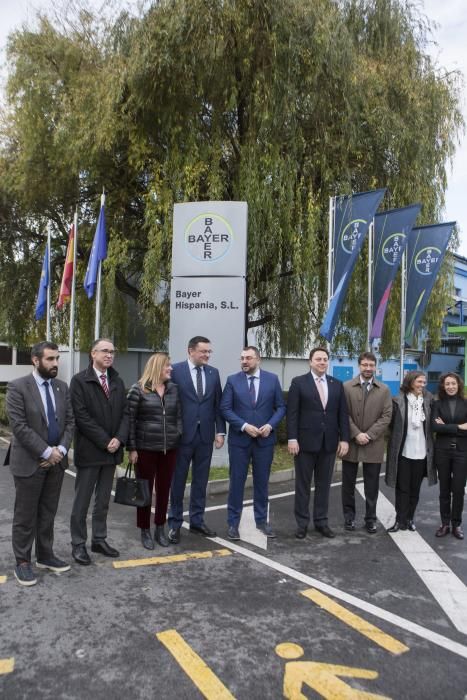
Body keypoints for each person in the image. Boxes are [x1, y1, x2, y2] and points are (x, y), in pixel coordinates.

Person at [5, 341, 74, 586]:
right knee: (25, 515)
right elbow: (19, 427)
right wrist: (46, 452)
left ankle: (45, 555)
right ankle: (22, 562)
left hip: (56, 462)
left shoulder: (61, 387)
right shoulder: (18, 387)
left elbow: (69, 422)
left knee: (47, 512)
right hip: (29, 462)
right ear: (36, 360)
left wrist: (61, 450)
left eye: (57, 359)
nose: (55, 363)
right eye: (50, 359)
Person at [69, 338, 129, 564]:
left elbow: (126, 414)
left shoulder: (117, 381)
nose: (109, 355)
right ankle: (77, 544)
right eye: (104, 351)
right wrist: (106, 441)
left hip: (112, 452)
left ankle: (99, 539)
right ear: (92, 354)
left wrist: (119, 439)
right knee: (81, 502)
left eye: (112, 352)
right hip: (90, 451)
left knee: (103, 500)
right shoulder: (79, 381)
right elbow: (81, 417)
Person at [220, 346, 286, 540]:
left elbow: (281, 407)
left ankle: (261, 521)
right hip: (240, 441)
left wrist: (270, 426)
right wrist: (244, 425)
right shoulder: (233, 380)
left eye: (248, 358)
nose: (244, 361)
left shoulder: (272, 379)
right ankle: (233, 523)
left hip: (264, 441)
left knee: (261, 483)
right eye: (242, 358)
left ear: (258, 360)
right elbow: (225, 408)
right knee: (237, 483)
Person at [287, 347, 350, 539]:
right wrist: (292, 438)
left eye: (325, 359)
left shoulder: (337, 384)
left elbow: (342, 415)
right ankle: (302, 524)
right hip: (304, 444)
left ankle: (321, 522)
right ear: (310, 362)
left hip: (329, 444)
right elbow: (292, 414)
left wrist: (345, 439)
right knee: (303, 485)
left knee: (324, 486)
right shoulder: (299, 383)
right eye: (318, 359)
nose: (322, 362)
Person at [168, 336, 225, 543]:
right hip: (182, 437)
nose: (207, 355)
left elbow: (217, 405)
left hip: (205, 437)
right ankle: (174, 524)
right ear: (190, 351)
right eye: (204, 352)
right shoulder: (175, 371)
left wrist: (220, 431)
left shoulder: (213, 373)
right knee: (178, 482)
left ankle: (197, 521)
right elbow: (169, 404)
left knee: (200, 481)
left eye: (209, 352)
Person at [127, 353, 182, 549]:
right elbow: (130, 422)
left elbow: (178, 417)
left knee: (164, 490)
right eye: (168, 366)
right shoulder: (138, 389)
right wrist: (132, 448)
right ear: (158, 367)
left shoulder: (173, 389)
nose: (171, 369)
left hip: (169, 449)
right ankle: (144, 530)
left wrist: (177, 435)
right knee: (144, 492)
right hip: (145, 449)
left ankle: (160, 527)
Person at [342, 352, 392, 533]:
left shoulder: (384, 390)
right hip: (352, 442)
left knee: (372, 486)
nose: (368, 368)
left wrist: (369, 435)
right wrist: (356, 434)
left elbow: (387, 416)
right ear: (359, 366)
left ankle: (370, 519)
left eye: (371, 365)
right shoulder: (346, 387)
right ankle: (349, 518)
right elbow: (343, 414)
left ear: (375, 366)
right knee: (347, 484)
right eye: (365, 365)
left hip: (374, 443)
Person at [385, 370, 435, 532]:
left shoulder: (428, 400)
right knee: (402, 489)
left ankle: (410, 519)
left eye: (424, 382)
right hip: (404, 452)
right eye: (419, 382)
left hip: (422, 452)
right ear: (410, 382)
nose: (422, 385)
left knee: (415, 489)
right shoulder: (398, 400)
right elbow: (390, 426)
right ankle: (400, 520)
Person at [431, 372, 467, 540]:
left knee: (459, 490)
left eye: (453, 383)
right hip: (443, 451)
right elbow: (435, 427)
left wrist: (448, 426)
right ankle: (445, 523)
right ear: (443, 386)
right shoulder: (437, 404)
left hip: (462, 452)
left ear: (458, 385)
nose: (451, 386)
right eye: (447, 384)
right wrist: (460, 427)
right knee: (444, 489)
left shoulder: (466, 403)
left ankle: (456, 524)